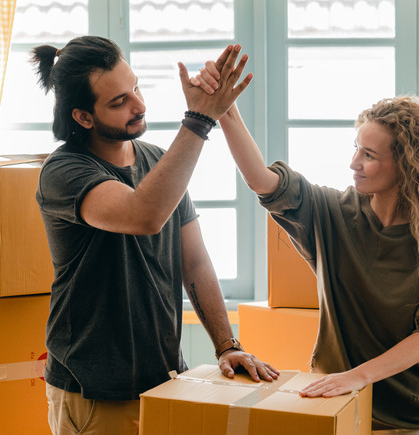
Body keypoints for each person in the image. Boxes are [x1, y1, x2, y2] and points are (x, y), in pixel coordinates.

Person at [192, 57, 419, 434]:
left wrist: (358, 376)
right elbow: (263, 182)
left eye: (369, 155)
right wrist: (226, 110)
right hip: (338, 410)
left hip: (413, 420)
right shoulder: (332, 213)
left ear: (408, 166)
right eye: (356, 148)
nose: (353, 163)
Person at [31, 37, 278, 435]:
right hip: (95, 392)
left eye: (137, 87)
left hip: (164, 380)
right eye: (118, 102)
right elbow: (143, 214)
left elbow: (194, 261)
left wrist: (227, 345)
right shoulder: (64, 173)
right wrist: (199, 119)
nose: (139, 105)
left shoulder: (159, 161)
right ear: (83, 117)